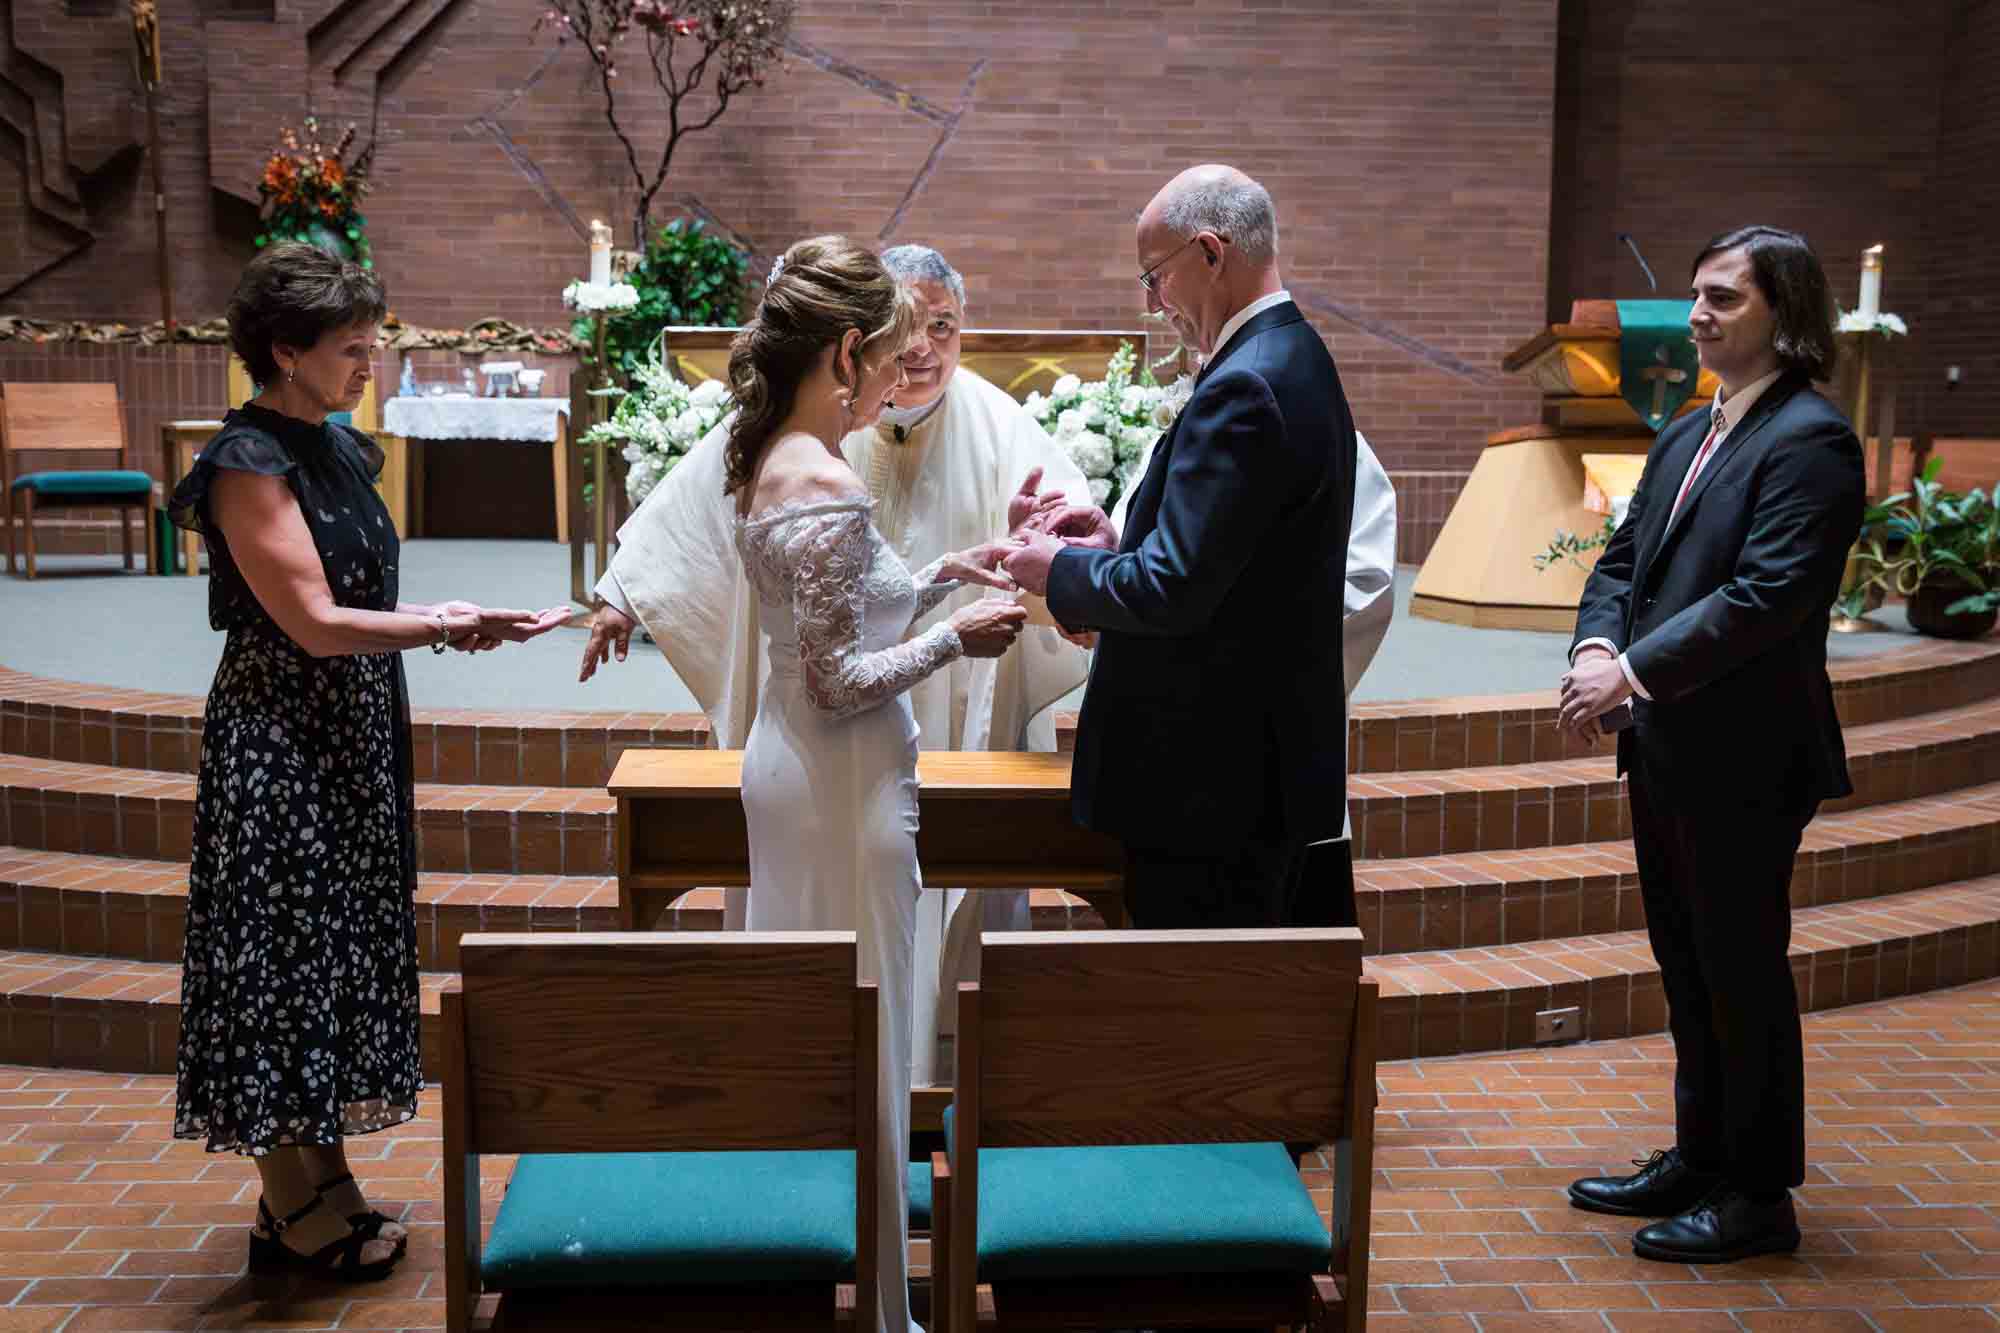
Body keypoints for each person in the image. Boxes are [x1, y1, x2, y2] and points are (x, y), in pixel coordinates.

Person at [581, 244, 1091, 1083]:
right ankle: (857, 1127)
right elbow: (699, 507)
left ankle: (912, 1092)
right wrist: (623, 592)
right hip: (842, 756)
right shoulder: (812, 451)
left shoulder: (996, 422)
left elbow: (1061, 529)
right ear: (856, 347)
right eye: (904, 334)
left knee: (862, 962)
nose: (919, 352)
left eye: (942, 327)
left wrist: (1025, 577)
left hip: (912, 738)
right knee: (849, 971)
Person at [167, 243, 567, 1282]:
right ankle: (288, 1202)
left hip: (347, 726)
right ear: (284, 350)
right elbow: (309, 621)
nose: (369, 362)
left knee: (332, 946)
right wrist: (440, 625)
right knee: (278, 954)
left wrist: (451, 626)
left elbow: (361, 608)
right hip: (281, 738)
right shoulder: (248, 462)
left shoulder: (338, 448)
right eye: (351, 347)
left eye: (371, 341)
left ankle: (322, 1179)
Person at [722, 235, 1027, 1332]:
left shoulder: (777, 452)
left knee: (817, 1019)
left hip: (796, 767)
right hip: (843, 785)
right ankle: (880, 1304)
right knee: (869, 1022)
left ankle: (815, 1269)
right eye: (893, 354)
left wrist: (948, 571)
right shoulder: (826, 479)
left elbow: (842, 605)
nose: (902, 377)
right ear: (844, 349)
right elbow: (843, 675)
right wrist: (963, 636)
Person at [1558, 225, 1863, 1263]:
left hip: (1745, 754)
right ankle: (1700, 1154)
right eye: (1695, 294)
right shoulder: (1689, 433)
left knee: (1739, 970)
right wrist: (1599, 639)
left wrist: (1630, 673)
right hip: (1667, 743)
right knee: (1684, 962)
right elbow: (1624, 558)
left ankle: (1758, 1196)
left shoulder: (1811, 440)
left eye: (1721, 298)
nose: (1695, 313)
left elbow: (1766, 595)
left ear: (1785, 312)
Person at [1005, 164, 1358, 930]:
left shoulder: (1247, 385)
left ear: (1209, 252)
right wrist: (1111, 542)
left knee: (1204, 1013)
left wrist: (1056, 569)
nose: (1151, 303)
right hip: (1247, 774)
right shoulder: (1292, 356)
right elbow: (1223, 563)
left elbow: (1173, 589)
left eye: (1153, 277)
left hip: (1211, 787)